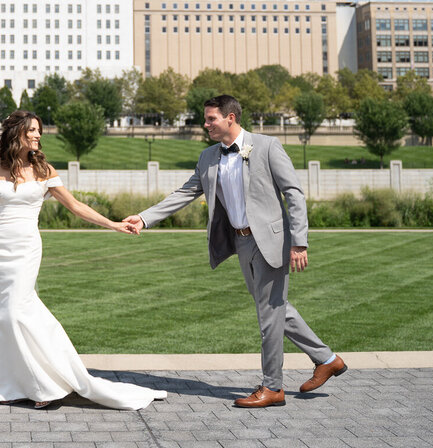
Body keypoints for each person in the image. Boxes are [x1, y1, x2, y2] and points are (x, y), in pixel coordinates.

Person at [124, 95, 344, 409]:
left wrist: (299, 241)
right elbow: (185, 192)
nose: (206, 124)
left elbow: (293, 193)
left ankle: (273, 387)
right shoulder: (208, 157)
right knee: (274, 307)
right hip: (240, 242)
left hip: (270, 241)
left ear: (230, 118)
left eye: (211, 118)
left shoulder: (266, 146)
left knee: (268, 315)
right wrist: (145, 218)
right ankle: (327, 359)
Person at [0, 109, 166, 410]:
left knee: (15, 312)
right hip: (1, 248)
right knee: (12, 313)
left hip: (27, 247)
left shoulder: (45, 171)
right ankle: (9, 384)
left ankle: (44, 384)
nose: (38, 135)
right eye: (32, 131)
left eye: (39, 131)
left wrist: (114, 224)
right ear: (17, 134)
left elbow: (75, 206)